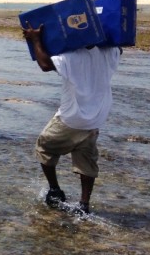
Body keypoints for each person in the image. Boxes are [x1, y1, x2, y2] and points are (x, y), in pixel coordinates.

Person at [22, 22, 121, 215]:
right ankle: (84, 204)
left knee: (44, 147)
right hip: (96, 118)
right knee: (87, 160)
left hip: (72, 117)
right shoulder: (110, 53)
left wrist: (36, 39)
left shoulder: (72, 56)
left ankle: (55, 190)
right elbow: (119, 48)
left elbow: (44, 64)